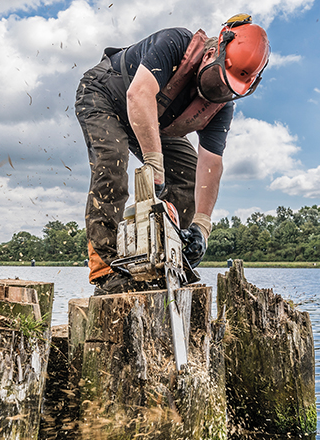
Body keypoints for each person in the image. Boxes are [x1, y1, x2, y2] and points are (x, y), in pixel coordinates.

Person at [74, 14, 270, 294]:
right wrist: (154, 163)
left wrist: (202, 225)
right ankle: (106, 268)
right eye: (217, 81)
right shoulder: (175, 42)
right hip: (106, 96)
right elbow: (138, 95)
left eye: (228, 91)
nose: (218, 92)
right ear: (211, 54)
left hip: (155, 120)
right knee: (111, 162)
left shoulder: (221, 107)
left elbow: (211, 164)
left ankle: (165, 259)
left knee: (188, 176)